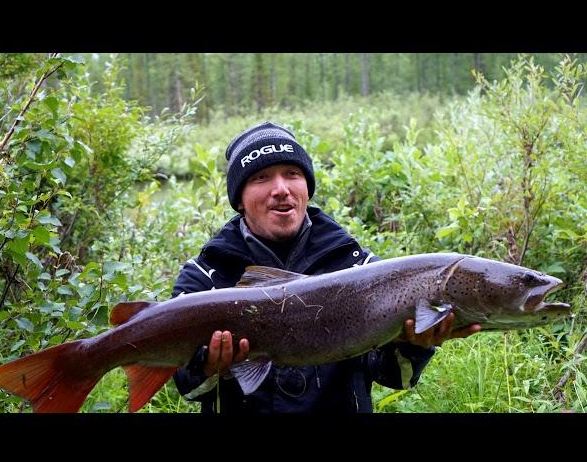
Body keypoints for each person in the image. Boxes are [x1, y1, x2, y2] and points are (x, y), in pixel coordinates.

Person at [171, 121, 481, 413]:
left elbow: (393, 378)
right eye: (260, 177)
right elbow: (187, 389)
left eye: (292, 173)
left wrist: (414, 346)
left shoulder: (357, 267)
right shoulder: (205, 276)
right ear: (239, 199)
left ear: (307, 187)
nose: (281, 188)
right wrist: (208, 366)